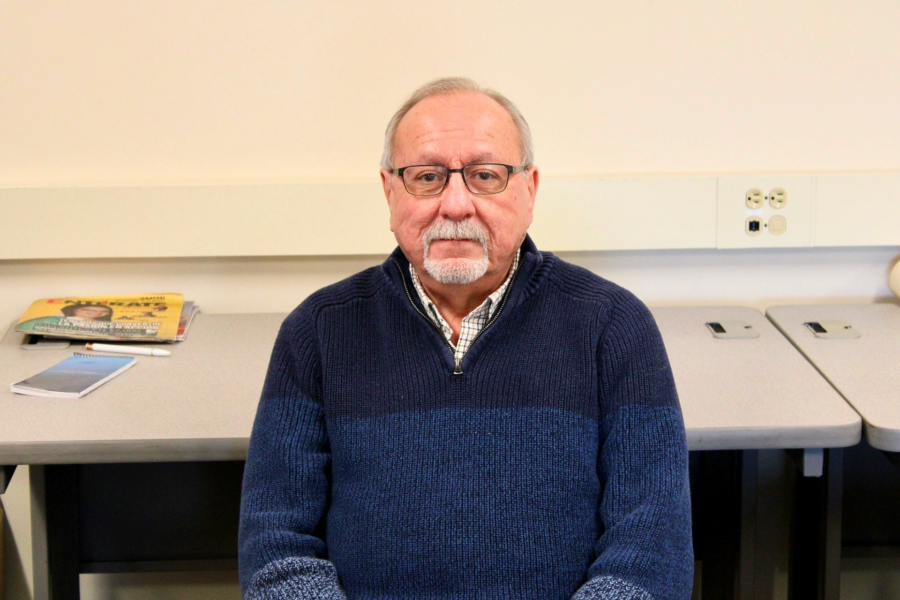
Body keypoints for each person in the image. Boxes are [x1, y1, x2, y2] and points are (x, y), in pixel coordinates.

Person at [239, 77, 693, 600]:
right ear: (390, 192)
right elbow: (276, 548)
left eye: (485, 175)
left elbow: (653, 549)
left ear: (530, 189)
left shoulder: (612, 325)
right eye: (427, 177)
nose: (456, 205)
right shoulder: (317, 331)